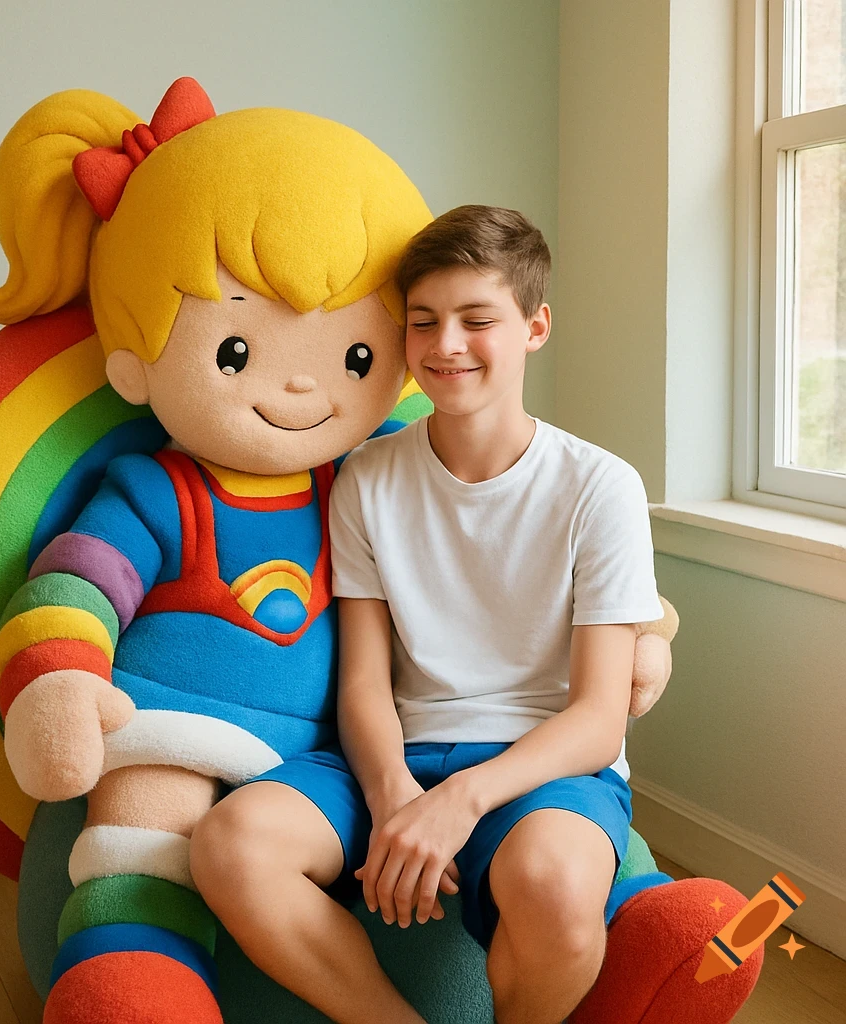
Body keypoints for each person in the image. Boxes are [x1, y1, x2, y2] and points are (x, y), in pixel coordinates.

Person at [190, 205, 665, 1024]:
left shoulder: (600, 486)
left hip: (543, 767)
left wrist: (461, 801)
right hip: (396, 752)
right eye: (423, 321)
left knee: (557, 891)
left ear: (535, 328)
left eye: (477, 321)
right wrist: (391, 797)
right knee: (230, 845)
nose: (446, 344)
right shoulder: (367, 477)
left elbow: (597, 720)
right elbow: (365, 682)